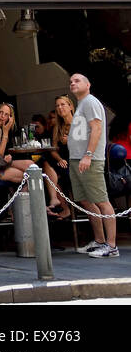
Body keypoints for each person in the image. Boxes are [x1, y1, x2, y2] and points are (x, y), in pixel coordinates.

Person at [68, 73, 118, 257]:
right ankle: (99, 241)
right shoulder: (82, 104)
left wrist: (88, 155)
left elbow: (97, 128)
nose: (72, 83)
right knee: (86, 200)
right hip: (77, 159)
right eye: (71, 81)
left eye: (77, 80)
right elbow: (84, 131)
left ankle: (111, 246)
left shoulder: (90, 102)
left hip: (89, 160)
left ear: (88, 84)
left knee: (101, 200)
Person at [45, 94, 75, 220]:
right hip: (62, 160)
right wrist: (59, 159)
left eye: (63, 104)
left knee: (52, 173)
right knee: (47, 167)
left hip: (76, 160)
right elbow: (53, 149)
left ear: (70, 106)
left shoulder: (78, 122)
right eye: (57, 105)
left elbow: (86, 145)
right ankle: (62, 205)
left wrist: (70, 140)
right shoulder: (58, 126)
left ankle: (63, 206)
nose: (60, 108)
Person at [0, 102, 28, 185]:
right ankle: (19, 197)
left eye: (6, 114)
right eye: (1, 112)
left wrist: (6, 157)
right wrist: (6, 132)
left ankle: (20, 196)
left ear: (9, 118)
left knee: (31, 165)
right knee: (24, 175)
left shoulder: (0, 130)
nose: (3, 116)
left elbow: (0, 154)